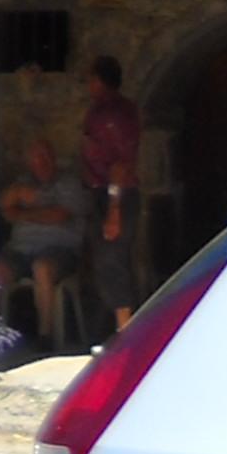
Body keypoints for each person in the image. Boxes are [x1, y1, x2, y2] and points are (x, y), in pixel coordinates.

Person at [0, 138, 91, 348]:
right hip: (21, 251)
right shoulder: (23, 182)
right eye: (36, 159)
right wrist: (16, 195)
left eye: (45, 157)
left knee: (42, 267)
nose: (42, 163)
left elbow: (58, 216)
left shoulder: (68, 183)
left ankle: (45, 336)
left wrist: (21, 212)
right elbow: (4, 207)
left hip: (60, 252)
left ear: (53, 158)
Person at [81, 55, 143, 330]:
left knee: (112, 260)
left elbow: (121, 163)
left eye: (92, 79)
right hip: (99, 192)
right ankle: (107, 325)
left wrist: (114, 208)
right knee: (103, 261)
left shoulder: (114, 115)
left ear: (101, 81)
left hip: (114, 194)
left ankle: (124, 329)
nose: (88, 85)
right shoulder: (100, 111)